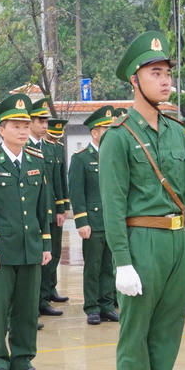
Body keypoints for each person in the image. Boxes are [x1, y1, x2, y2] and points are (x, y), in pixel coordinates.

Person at [99, 31, 185, 370]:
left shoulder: (176, 132)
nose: (165, 82)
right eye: (155, 73)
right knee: (135, 344)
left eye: (167, 74)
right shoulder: (119, 137)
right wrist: (122, 262)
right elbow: (113, 206)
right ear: (134, 79)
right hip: (142, 243)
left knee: (164, 343)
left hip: (177, 242)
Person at [0, 94, 54, 370]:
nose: (23, 130)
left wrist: (45, 243)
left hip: (29, 246)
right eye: (16, 125)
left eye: (25, 124)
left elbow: (40, 207)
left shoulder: (36, 160)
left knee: (27, 308)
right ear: (1, 129)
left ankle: (22, 359)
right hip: (1, 248)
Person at [70, 106, 119, 325]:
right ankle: (92, 307)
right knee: (93, 266)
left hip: (113, 221)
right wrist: (82, 221)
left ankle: (107, 305)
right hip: (94, 221)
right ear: (94, 132)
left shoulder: (115, 156)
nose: (110, 131)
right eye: (105, 128)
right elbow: (77, 192)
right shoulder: (81, 158)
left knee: (110, 266)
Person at [30, 98, 69, 317]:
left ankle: (44, 297)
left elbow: (57, 181)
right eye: (40, 120)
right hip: (32, 212)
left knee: (51, 255)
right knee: (34, 258)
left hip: (51, 211)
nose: (45, 125)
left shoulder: (52, 148)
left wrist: (62, 208)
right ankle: (32, 301)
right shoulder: (23, 147)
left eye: (45, 120)